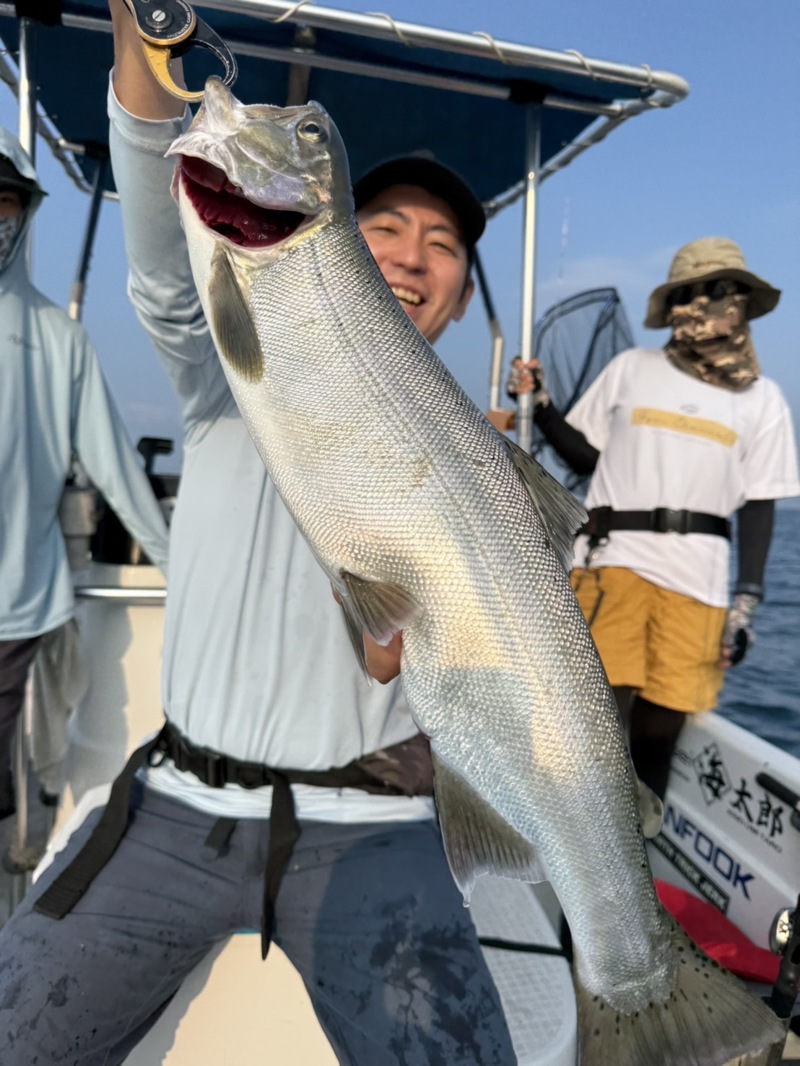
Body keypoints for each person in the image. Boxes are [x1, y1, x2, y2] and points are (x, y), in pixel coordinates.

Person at [0, 4, 517, 1063]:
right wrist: (142, 48)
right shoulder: (232, 373)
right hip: (173, 805)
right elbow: (160, 251)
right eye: (383, 228)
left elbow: (432, 662)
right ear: (333, 246)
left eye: (443, 244)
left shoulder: (494, 475)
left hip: (377, 829)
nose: (414, 256)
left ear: (461, 297)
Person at [504, 237, 800, 798]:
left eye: (726, 291)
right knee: (594, 724)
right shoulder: (631, 369)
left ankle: (639, 861)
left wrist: (747, 604)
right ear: (676, 303)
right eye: (700, 291)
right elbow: (585, 455)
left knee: (658, 738)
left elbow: (761, 503)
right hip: (614, 566)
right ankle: (569, 850)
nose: (715, 303)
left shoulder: (763, 399)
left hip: (701, 585)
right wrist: (539, 404)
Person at [0, 129, 169, 824]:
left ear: (26, 214)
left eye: (5, 204)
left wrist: (178, 568)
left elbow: (114, 466)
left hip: (13, 614)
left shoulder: (59, 339)